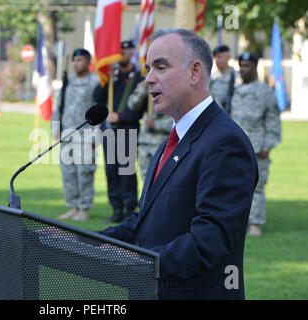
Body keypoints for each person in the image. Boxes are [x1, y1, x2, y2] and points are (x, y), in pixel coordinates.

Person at [98, 29, 258, 300]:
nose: (148, 79)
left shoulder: (224, 143)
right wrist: (82, 240)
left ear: (194, 72)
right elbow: (147, 219)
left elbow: (209, 240)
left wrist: (138, 262)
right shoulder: (172, 141)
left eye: (160, 67)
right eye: (148, 69)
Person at [93, 40, 147, 223]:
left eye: (124, 51)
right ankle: (116, 206)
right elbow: (97, 98)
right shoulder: (111, 76)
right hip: (109, 130)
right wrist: (105, 79)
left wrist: (122, 116)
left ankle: (130, 206)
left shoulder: (138, 76)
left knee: (127, 170)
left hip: (128, 127)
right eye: (119, 52)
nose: (121, 55)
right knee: (111, 169)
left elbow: (140, 107)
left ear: (131, 52)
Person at [230, 52, 281, 236]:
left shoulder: (265, 92)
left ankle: (255, 223)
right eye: (241, 65)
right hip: (234, 147)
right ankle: (237, 222)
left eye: (248, 66)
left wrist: (268, 145)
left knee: (256, 187)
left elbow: (273, 120)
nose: (244, 69)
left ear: (255, 67)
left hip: (257, 147)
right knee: (232, 187)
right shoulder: (232, 90)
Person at [52, 48, 100, 221]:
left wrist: (96, 136)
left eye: (80, 60)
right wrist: (55, 127)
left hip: (86, 135)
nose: (76, 63)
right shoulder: (67, 82)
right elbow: (59, 107)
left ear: (88, 62)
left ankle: (84, 209)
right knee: (68, 172)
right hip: (67, 134)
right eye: (74, 60)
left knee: (84, 172)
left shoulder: (95, 82)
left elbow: (99, 111)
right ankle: (72, 206)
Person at [127, 84, 173, 181]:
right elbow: (132, 104)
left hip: (163, 143)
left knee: (162, 182)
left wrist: (156, 124)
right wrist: (143, 88)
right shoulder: (146, 85)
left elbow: (175, 122)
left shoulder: (171, 83)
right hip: (145, 142)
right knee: (146, 182)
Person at [210, 45, 240, 115]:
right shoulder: (211, 77)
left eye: (219, 57)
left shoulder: (236, 76)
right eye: (215, 57)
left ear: (228, 57)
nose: (216, 60)